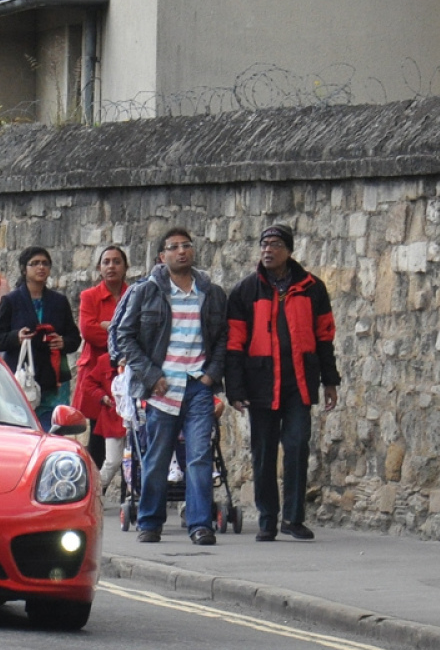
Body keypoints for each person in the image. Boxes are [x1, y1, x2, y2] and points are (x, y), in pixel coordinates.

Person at [225, 223, 341, 542]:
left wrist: (330, 381)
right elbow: (234, 344)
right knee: (263, 453)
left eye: (275, 244)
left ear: (289, 251)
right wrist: (234, 389)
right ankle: (267, 518)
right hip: (259, 385)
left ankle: (293, 518)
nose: (267, 249)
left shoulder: (312, 288)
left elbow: (324, 338)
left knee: (297, 446)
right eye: (264, 244)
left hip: (299, 385)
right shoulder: (244, 292)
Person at [113, 228, 227, 546]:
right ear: (162, 256)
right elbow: (125, 336)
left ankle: (200, 524)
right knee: (157, 456)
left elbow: (221, 340)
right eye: (173, 247)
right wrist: (151, 376)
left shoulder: (211, 293)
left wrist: (209, 375)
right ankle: (150, 521)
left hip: (197, 387)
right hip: (162, 388)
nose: (181, 252)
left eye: (186, 246)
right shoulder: (146, 291)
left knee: (199, 457)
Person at [0, 246, 82, 429]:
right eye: (35, 264)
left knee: (51, 431)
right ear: (24, 269)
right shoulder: (11, 301)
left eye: (45, 264)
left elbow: (74, 337)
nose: (41, 268)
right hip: (23, 376)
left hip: (52, 379)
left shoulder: (59, 301)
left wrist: (63, 342)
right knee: (22, 428)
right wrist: (17, 337)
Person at [75, 245, 129, 492]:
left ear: (125, 267)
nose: (111, 266)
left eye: (116, 261)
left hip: (126, 370)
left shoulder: (134, 293)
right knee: (97, 432)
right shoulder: (90, 296)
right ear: (99, 268)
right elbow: (89, 332)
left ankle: (125, 490)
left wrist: (109, 327)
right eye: (106, 262)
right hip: (98, 373)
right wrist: (120, 332)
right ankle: (92, 488)